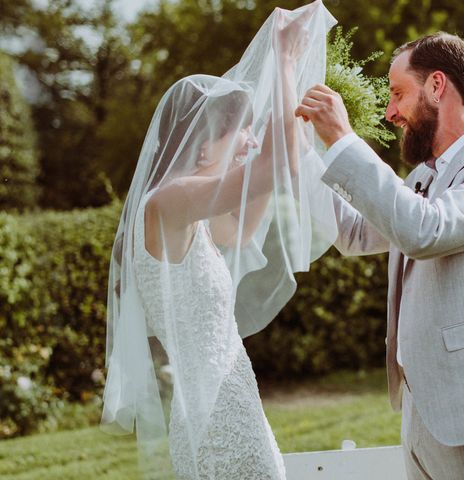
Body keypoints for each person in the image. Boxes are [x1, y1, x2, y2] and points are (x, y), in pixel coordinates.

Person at [101, 3, 338, 479]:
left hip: (228, 402)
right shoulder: (168, 202)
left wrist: (270, 140)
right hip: (216, 416)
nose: (247, 139)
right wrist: (285, 60)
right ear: (205, 144)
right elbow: (276, 167)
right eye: (240, 131)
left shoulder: (195, 217)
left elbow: (244, 227)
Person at [296, 31, 464, 479]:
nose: (391, 113)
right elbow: (353, 234)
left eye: (397, 94)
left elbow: (424, 231)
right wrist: (301, 154)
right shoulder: (421, 180)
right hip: (423, 414)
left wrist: (344, 138)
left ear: (436, 85)